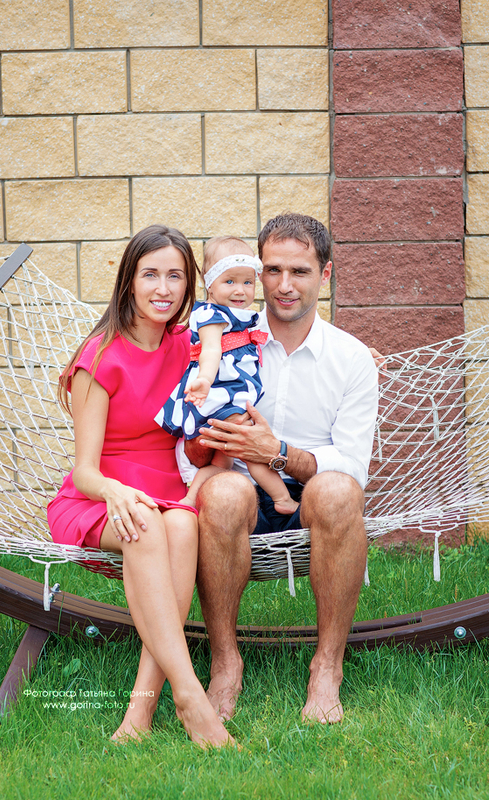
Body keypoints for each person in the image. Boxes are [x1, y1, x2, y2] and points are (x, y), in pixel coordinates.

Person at [187, 213, 380, 725]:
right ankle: (225, 662)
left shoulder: (352, 359)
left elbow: (352, 465)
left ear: (326, 274)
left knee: (338, 490)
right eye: (272, 270)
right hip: (241, 493)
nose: (284, 285)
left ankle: (327, 667)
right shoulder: (225, 344)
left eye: (300, 271)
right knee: (221, 494)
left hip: (315, 497)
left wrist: (277, 451)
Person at [47, 225, 234, 748]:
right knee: (146, 524)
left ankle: (140, 714)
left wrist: (363, 354)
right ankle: (190, 698)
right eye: (151, 274)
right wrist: (115, 492)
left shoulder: (192, 348)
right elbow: (85, 470)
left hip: (170, 491)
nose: (164, 289)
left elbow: (252, 339)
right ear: (129, 279)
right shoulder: (100, 356)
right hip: (98, 496)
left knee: (182, 526)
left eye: (176, 276)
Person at [156, 235, 297, 514]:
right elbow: (210, 350)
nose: (240, 290)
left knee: (224, 463)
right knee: (248, 443)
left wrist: (357, 351)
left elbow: (288, 335)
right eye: (229, 281)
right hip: (219, 395)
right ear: (210, 284)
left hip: (231, 395)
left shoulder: (241, 316)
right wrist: (205, 380)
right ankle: (282, 498)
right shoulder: (212, 315)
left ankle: (190, 498)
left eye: (247, 282)